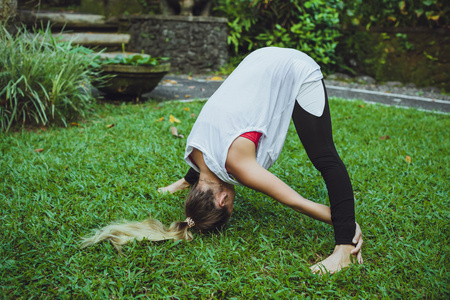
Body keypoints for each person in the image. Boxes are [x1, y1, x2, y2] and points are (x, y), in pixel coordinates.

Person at [82, 47, 363, 274]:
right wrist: (182, 183)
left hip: (295, 68)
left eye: (230, 208)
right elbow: (206, 163)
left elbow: (294, 201)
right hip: (259, 58)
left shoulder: (238, 166)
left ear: (222, 201)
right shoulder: (194, 153)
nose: (234, 201)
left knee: (325, 156)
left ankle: (343, 252)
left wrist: (343, 225)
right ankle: (344, 240)